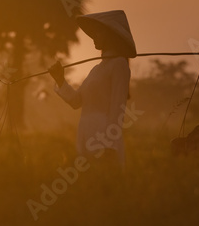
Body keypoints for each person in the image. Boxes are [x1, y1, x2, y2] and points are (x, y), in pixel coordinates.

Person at [48, 10, 135, 167]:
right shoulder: (96, 69)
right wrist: (60, 80)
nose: (94, 37)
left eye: (99, 32)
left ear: (110, 35)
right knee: (87, 184)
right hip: (85, 131)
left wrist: (110, 144)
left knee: (103, 182)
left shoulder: (119, 64)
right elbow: (76, 101)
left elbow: (117, 108)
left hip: (103, 135)